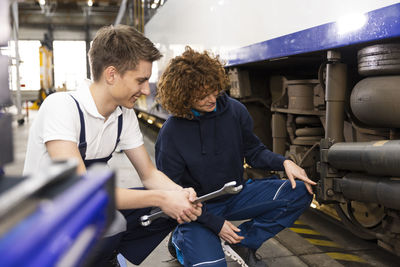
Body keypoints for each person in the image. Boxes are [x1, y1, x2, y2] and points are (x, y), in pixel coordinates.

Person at [23, 26, 202, 266]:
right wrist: (162, 198)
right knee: (131, 213)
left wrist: (179, 194)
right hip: (45, 221)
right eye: (141, 80)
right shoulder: (62, 107)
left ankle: (105, 258)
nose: (146, 90)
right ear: (111, 75)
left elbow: (148, 174)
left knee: (170, 210)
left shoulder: (122, 114)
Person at [155, 47, 316, 267]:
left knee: (299, 192)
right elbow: (171, 194)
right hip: (196, 208)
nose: (212, 99)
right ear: (183, 96)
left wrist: (285, 162)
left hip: (235, 195)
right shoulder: (171, 133)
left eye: (214, 91)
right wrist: (216, 224)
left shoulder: (234, 110)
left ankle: (244, 243)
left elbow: (254, 152)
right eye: (202, 96)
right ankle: (179, 240)